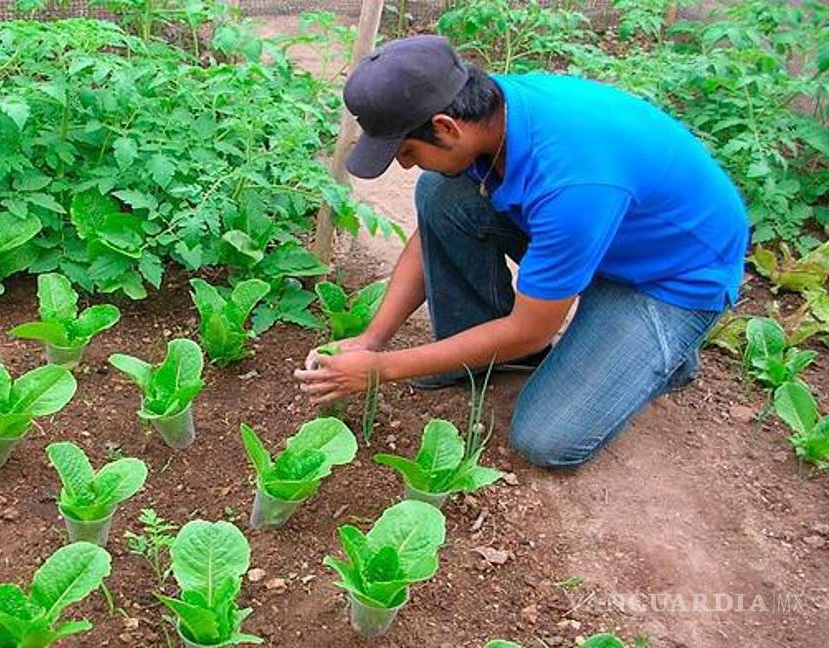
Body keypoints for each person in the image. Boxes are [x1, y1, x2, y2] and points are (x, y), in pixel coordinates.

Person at [293, 35, 749, 468]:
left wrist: (383, 369)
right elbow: (429, 233)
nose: (405, 164)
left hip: (669, 277)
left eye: (407, 152)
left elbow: (531, 330)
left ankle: (664, 353)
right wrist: (373, 339)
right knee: (440, 192)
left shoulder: (570, 184)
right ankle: (495, 355)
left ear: (446, 127)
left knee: (545, 438)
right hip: (604, 233)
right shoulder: (492, 114)